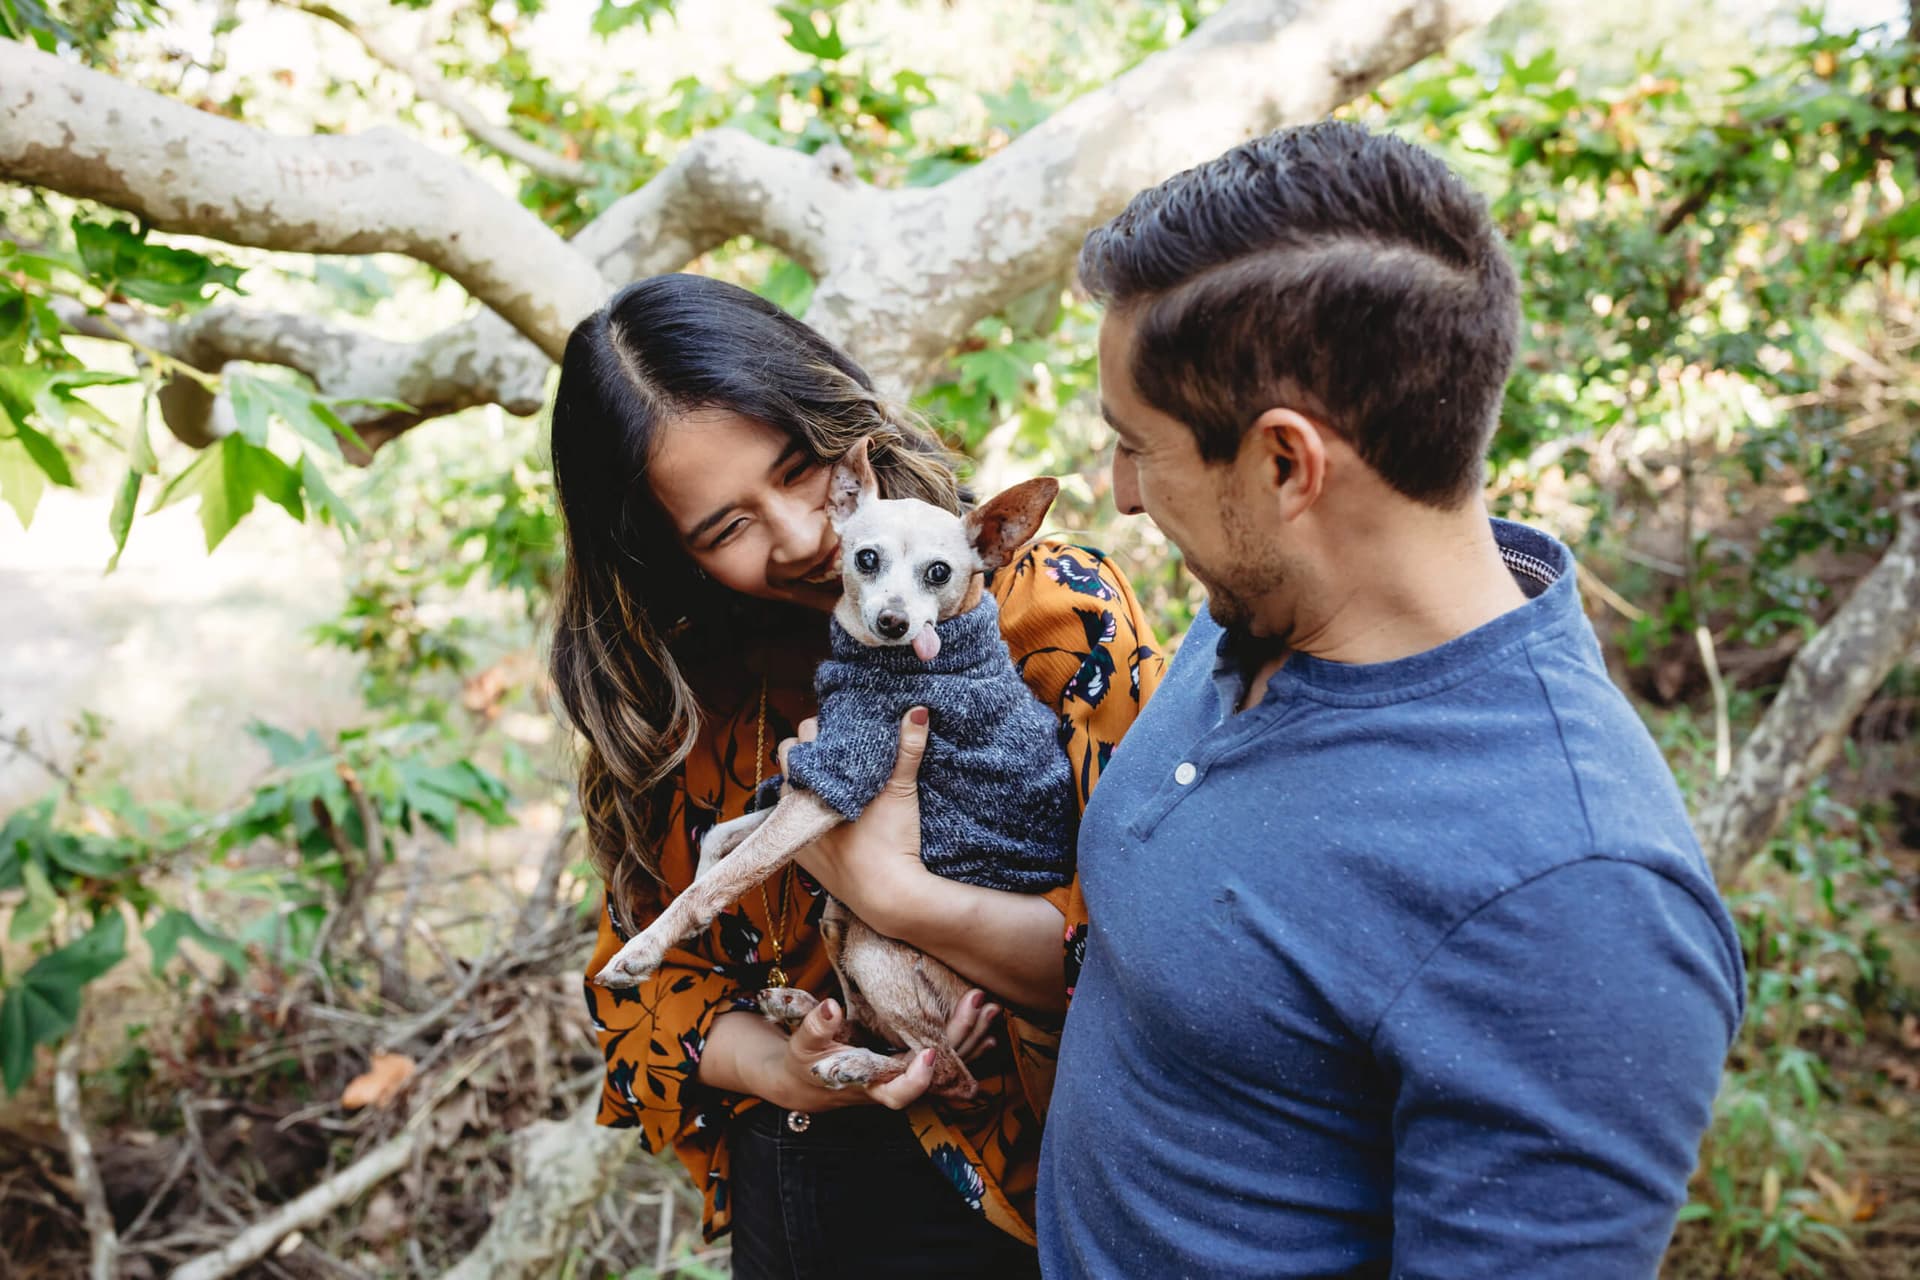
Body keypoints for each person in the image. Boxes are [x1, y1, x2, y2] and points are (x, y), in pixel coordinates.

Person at [1036, 121, 1746, 1278]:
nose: (1117, 495)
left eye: (1135, 445)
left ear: (1284, 463)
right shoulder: (1252, 613)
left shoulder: (1571, 896)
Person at [547, 273, 1163, 1277]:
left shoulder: (1044, 614)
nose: (799, 536)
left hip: (1035, 1200)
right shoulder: (680, 706)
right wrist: (787, 1073)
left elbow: (1156, 949)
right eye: (725, 528)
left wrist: (892, 893)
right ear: (667, 553)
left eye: (799, 471)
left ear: (848, 438)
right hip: (797, 1209)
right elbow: (638, 1000)